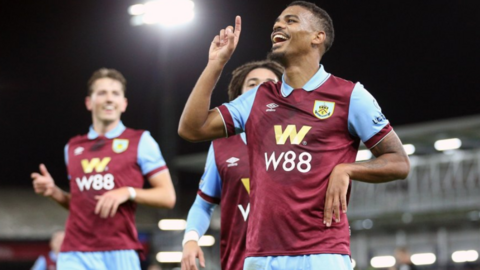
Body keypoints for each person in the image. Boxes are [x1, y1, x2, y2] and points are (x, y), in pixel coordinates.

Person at [178, 1, 410, 269]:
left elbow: (399, 162)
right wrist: (215, 65)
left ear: (317, 37)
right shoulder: (257, 99)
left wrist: (347, 170)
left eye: (291, 20)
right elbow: (192, 129)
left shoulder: (350, 96)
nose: (278, 25)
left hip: (322, 253)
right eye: (277, 21)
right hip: (260, 257)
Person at [31, 68, 176, 270]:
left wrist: (128, 192)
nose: (109, 99)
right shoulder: (72, 147)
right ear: (89, 102)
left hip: (120, 251)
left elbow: (167, 197)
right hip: (74, 252)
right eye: (102, 93)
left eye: (115, 93)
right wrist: (54, 192)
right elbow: (81, 204)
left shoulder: (141, 141)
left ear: (124, 104)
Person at [181, 60, 283, 270]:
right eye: (252, 84)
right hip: (241, 262)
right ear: (239, 97)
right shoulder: (222, 146)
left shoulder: (303, 141)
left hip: (296, 259)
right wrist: (191, 239)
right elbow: (203, 203)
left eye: (270, 83)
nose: (262, 89)